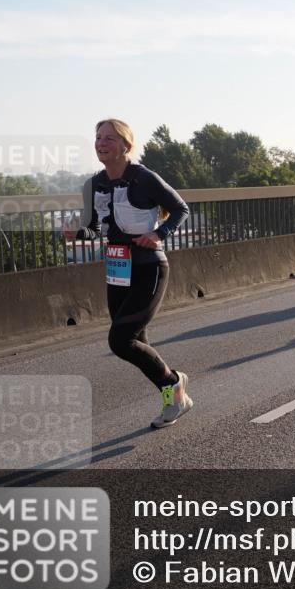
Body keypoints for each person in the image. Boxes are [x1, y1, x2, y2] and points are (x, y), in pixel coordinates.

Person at [76, 119, 191, 428]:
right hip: (117, 271)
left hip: (149, 267)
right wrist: (75, 231)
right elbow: (93, 230)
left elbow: (181, 209)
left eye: (110, 138)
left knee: (120, 340)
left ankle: (173, 385)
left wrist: (159, 233)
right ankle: (174, 396)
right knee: (136, 341)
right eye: (98, 137)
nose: (102, 143)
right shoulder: (94, 185)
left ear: (126, 145)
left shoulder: (144, 178)